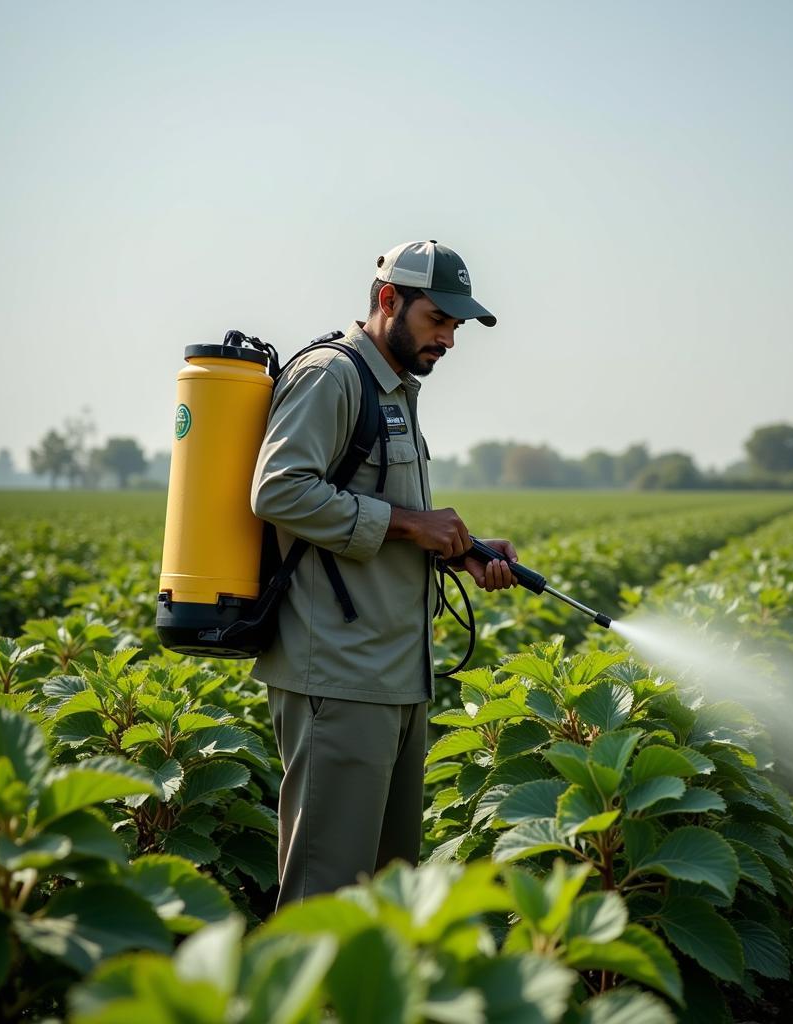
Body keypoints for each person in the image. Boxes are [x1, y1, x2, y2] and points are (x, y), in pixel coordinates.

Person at [250, 240, 517, 906]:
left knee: (388, 894)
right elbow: (278, 490)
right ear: (388, 300)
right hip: (338, 677)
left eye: (457, 326)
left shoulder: (395, 389)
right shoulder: (332, 375)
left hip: (396, 677)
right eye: (439, 319)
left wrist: (457, 546)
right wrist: (410, 524)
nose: (449, 339)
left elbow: (383, 515)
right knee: (325, 898)